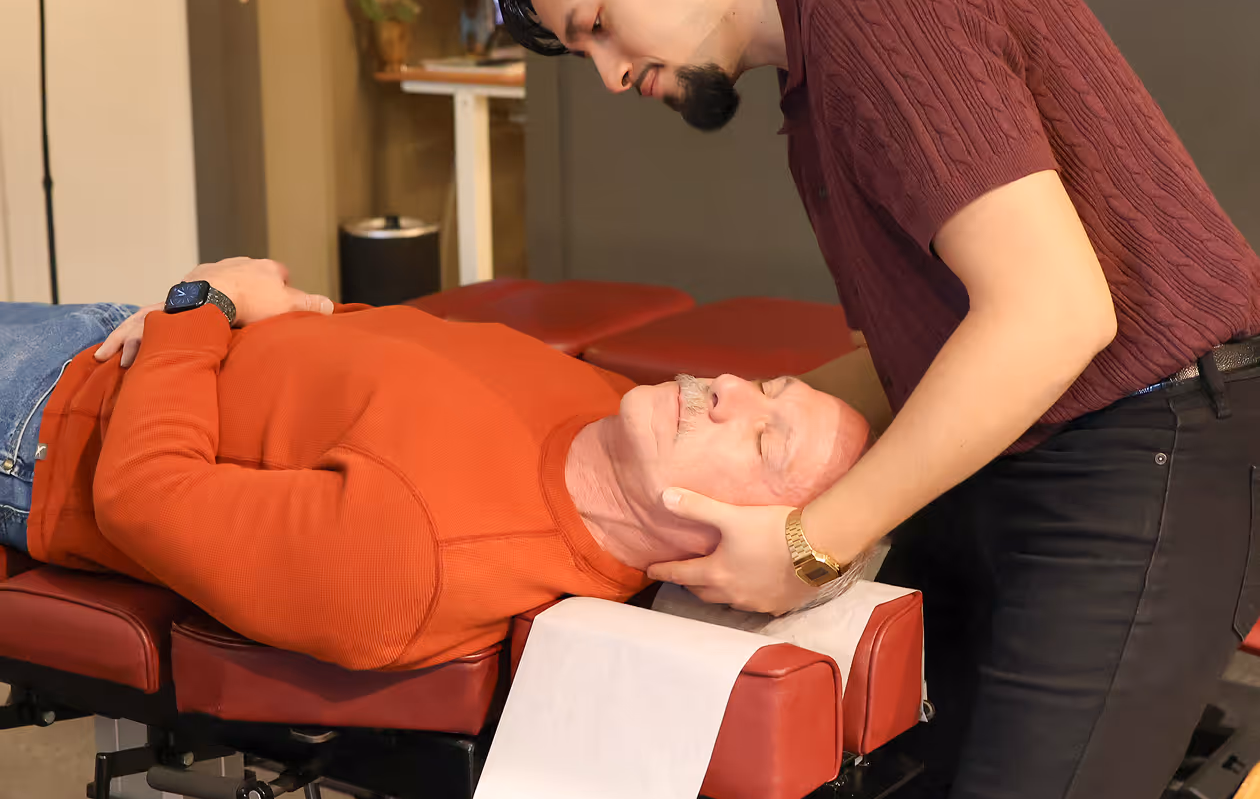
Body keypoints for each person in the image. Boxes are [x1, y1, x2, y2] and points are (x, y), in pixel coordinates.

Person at [495, 0, 1260, 799]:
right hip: (1047, 439)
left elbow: (1056, 314)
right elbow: (926, 346)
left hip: (1152, 441)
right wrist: (718, 416)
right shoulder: (824, 46)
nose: (608, 72)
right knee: (898, 791)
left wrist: (810, 546)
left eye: (597, 24)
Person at [0, 257, 868, 672]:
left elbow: (143, 494)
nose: (729, 389)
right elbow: (394, 350)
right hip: (116, 339)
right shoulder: (611, 407)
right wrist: (282, 310)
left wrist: (200, 307)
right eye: (768, 388)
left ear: (730, 550)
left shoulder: (416, 560)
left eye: (764, 440)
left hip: (42, 427)